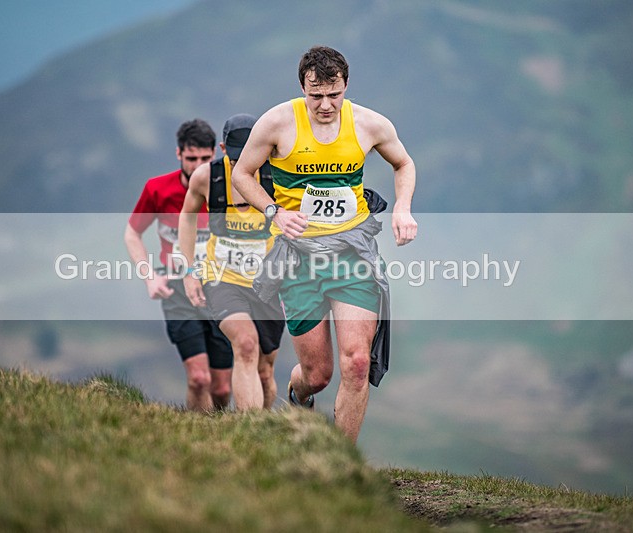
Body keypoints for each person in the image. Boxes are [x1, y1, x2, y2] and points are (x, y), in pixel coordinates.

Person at [231, 45, 418, 443]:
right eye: (316, 96)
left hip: (352, 254)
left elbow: (403, 163)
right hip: (298, 259)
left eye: (334, 95)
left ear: (346, 86)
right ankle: (299, 396)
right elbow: (242, 175)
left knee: (356, 364)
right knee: (318, 375)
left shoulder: (369, 124)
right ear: (303, 87)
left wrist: (402, 208)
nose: (325, 105)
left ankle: (341, 461)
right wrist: (274, 213)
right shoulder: (277, 123)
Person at [124, 119, 234, 412]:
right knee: (199, 379)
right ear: (178, 155)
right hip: (177, 290)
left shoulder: (229, 190)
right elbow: (132, 233)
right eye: (191, 158)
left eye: (205, 158)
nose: (198, 166)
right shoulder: (158, 189)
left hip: (221, 289)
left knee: (222, 387)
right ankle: (196, 438)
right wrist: (150, 278)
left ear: (215, 154)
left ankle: (220, 437)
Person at [179, 114, 285, 411]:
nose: (244, 164)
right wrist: (189, 271)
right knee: (246, 345)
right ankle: (250, 433)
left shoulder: (275, 175)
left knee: (265, 371)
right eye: (237, 157)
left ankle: (266, 431)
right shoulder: (206, 177)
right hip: (222, 277)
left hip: (268, 282)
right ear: (223, 148)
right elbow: (187, 216)